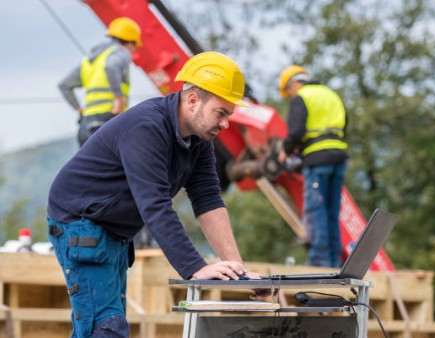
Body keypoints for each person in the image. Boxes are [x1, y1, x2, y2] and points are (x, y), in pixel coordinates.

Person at [47, 51, 256, 337]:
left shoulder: (199, 139)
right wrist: (195, 268)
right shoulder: (147, 127)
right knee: (105, 327)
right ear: (193, 100)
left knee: (101, 324)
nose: (225, 124)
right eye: (221, 113)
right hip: (80, 221)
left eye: (229, 115)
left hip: (113, 228)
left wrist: (238, 273)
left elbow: (208, 200)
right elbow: (154, 205)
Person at [277, 65, 349, 268]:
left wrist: (286, 150)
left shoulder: (302, 97)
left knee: (315, 209)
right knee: (331, 210)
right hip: (339, 158)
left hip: (317, 161)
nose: (290, 95)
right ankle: (334, 260)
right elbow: (345, 125)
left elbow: (297, 131)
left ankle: (319, 260)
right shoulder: (331, 95)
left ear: (292, 84)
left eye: (288, 91)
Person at [58, 17, 142, 147]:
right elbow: (111, 67)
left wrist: (79, 110)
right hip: (108, 120)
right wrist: (119, 99)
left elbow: (64, 85)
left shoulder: (89, 60)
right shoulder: (121, 52)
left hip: (86, 126)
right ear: (130, 43)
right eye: (135, 45)